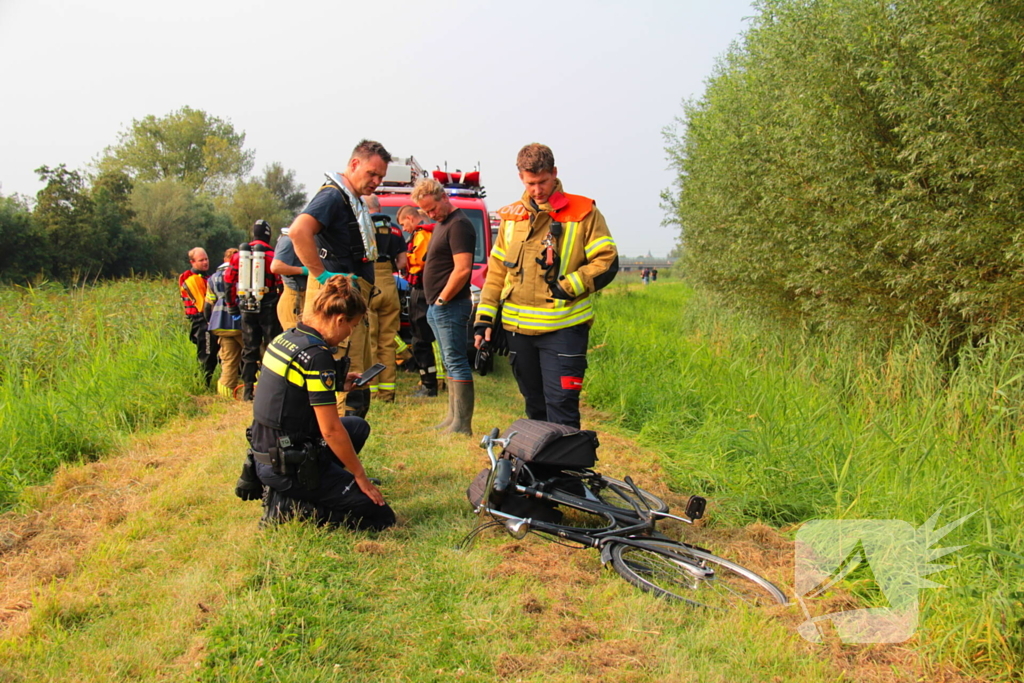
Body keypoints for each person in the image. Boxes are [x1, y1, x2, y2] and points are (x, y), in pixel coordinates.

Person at [474, 143, 618, 429]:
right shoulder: (511, 216)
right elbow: (497, 272)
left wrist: (570, 285)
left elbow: (607, 260)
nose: (537, 190)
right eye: (531, 183)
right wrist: (484, 319)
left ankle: (567, 459)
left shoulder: (584, 211)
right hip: (518, 331)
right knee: (535, 407)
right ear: (520, 177)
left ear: (554, 173)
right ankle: (540, 459)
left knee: (562, 406)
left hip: (564, 329)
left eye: (543, 182)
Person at [249, 275, 395, 531]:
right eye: (353, 326)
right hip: (287, 463)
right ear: (340, 320)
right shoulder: (317, 356)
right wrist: (360, 477)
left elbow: (289, 392)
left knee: (357, 427)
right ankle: (291, 508)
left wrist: (338, 383)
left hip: (268, 450)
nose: (350, 333)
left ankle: (310, 486)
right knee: (381, 518)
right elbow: (331, 431)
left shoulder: (289, 337)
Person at [289, 139, 392, 418]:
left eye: (381, 177)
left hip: (352, 307)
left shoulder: (351, 199)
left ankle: (349, 438)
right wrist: (321, 274)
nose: (377, 181)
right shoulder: (333, 196)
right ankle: (337, 442)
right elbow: (299, 231)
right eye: (372, 173)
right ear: (354, 164)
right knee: (345, 384)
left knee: (358, 381)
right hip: (339, 310)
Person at [412, 177, 476, 435]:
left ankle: (462, 425)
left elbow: (462, 269)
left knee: (456, 362)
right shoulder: (442, 223)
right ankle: (452, 418)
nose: (431, 214)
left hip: (450, 305)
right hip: (438, 306)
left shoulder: (459, 225)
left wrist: (442, 300)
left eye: (433, 208)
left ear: (444, 197)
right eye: (425, 211)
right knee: (449, 363)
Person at [226, 220, 283, 401]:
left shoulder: (238, 256)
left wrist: (232, 306)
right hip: (268, 305)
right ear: (268, 235)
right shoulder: (273, 255)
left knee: (249, 348)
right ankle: (270, 388)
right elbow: (280, 282)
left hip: (246, 305)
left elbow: (229, 282)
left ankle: (247, 390)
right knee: (271, 347)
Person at [364, 195, 408, 403]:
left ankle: (372, 391)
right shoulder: (396, 229)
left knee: (370, 340)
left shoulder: (361, 225)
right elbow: (402, 262)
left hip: (369, 282)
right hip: (389, 284)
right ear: (379, 207)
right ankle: (387, 392)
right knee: (388, 341)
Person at [398, 205, 439, 397]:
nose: (403, 229)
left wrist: (403, 259)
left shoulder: (422, 234)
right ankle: (429, 382)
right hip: (430, 289)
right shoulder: (432, 231)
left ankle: (429, 385)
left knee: (420, 339)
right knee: (426, 338)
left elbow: (419, 261)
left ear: (410, 218)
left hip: (422, 290)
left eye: (403, 224)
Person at [178, 247, 219, 386]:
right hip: (201, 321)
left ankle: (206, 384)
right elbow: (202, 306)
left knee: (213, 355)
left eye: (206, 259)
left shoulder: (206, 277)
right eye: (201, 260)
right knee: (206, 356)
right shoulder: (192, 279)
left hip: (209, 320)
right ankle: (202, 385)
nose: (205, 262)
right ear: (192, 262)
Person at [205, 248, 243, 398]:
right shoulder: (242, 274)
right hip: (240, 323)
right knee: (256, 356)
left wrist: (210, 322)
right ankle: (257, 390)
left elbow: (208, 304)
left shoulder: (212, 278)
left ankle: (225, 395)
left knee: (228, 361)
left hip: (220, 324)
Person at [270, 227, 308, 330]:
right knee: (295, 335)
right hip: (294, 299)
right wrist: (302, 270)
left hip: (301, 298)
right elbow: (276, 267)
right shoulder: (288, 240)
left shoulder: (301, 241)